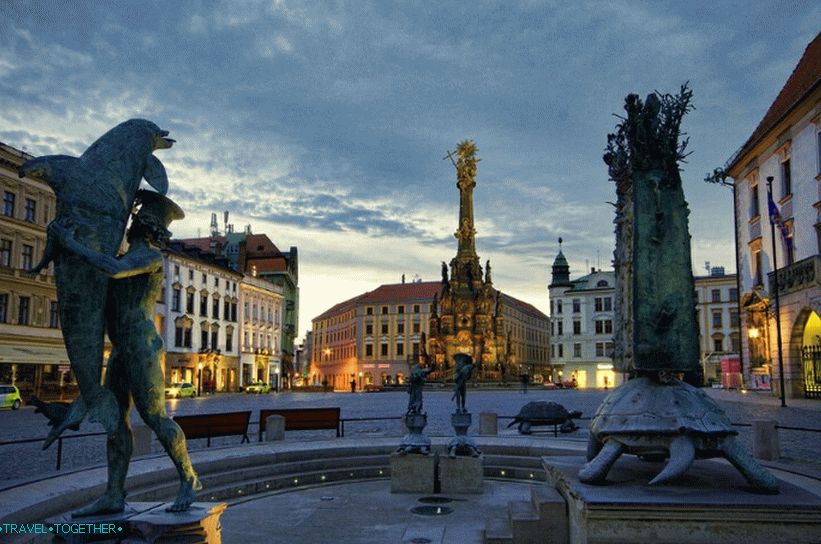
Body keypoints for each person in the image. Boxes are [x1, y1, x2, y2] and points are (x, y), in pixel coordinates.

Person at [49, 190, 200, 515]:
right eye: (136, 216)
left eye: (139, 218)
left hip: (141, 347)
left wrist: (69, 242)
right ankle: (114, 493)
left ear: (148, 229)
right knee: (116, 423)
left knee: (155, 417)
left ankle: (188, 478)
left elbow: (111, 270)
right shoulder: (127, 256)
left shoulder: (149, 257)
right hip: (120, 349)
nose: (133, 221)